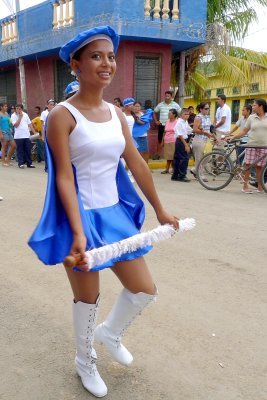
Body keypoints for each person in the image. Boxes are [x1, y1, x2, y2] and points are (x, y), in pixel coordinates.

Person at [28, 26, 179, 398]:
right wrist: (78, 231)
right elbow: (63, 176)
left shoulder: (116, 114)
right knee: (87, 297)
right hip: (77, 218)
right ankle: (85, 362)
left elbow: (137, 165)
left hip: (114, 216)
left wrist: (160, 209)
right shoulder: (61, 116)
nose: (107, 63)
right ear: (76, 65)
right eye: (96, 56)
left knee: (144, 290)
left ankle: (109, 333)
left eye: (110, 56)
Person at [227, 98, 267, 194]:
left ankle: (260, 187)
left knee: (260, 167)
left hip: (264, 146)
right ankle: (245, 186)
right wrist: (233, 137)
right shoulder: (251, 118)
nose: (252, 107)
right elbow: (244, 131)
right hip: (251, 144)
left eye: (254, 105)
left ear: (260, 106)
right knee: (248, 165)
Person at [153, 91, 181, 159]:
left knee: (172, 141)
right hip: (162, 125)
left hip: (172, 127)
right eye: (166, 96)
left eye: (168, 96)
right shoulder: (160, 104)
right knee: (160, 140)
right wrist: (156, 121)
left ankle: (171, 155)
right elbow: (154, 112)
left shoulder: (175, 105)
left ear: (171, 97)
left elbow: (180, 113)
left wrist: (177, 122)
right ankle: (158, 155)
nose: (167, 97)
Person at [190, 102, 215, 180]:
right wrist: (204, 132)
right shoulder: (198, 117)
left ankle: (195, 170)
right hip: (199, 140)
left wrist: (213, 136)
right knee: (199, 158)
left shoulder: (207, 117)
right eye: (206, 108)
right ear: (201, 109)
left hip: (207, 140)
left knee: (208, 157)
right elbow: (194, 129)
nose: (207, 110)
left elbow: (209, 128)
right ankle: (200, 174)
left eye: (208, 108)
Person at [11, 104, 37, 169]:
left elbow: (30, 124)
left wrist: (34, 133)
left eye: (19, 109)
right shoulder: (13, 115)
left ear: (22, 109)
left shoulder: (25, 114)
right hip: (18, 136)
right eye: (17, 108)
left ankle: (29, 163)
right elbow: (16, 125)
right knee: (20, 150)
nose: (18, 110)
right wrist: (19, 117)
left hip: (27, 135)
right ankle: (21, 163)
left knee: (28, 150)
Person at [171, 108, 192, 182]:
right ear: (181, 115)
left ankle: (175, 175)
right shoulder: (179, 122)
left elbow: (189, 130)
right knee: (184, 158)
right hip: (180, 141)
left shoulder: (185, 122)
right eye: (185, 114)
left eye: (188, 114)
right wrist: (186, 145)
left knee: (177, 158)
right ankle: (182, 175)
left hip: (182, 141)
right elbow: (180, 135)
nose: (187, 116)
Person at [160, 108, 178, 174]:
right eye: (168, 113)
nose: (168, 114)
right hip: (167, 139)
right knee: (168, 156)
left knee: (173, 155)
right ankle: (167, 169)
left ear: (174, 115)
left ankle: (173, 168)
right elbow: (164, 132)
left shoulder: (177, 121)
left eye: (170, 113)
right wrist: (162, 141)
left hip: (174, 140)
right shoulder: (167, 121)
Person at [41, 99, 55, 172]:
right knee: (47, 151)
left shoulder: (56, 112)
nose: (52, 105)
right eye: (50, 104)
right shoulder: (44, 113)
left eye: (53, 104)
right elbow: (42, 125)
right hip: (47, 133)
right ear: (47, 105)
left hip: (54, 134)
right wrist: (43, 135)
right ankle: (47, 167)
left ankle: (53, 167)